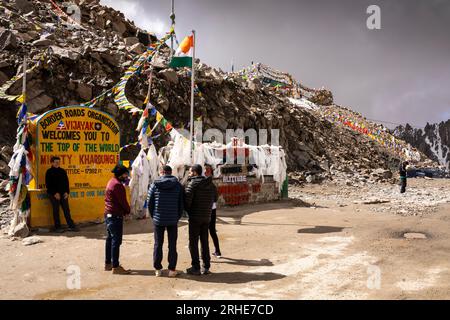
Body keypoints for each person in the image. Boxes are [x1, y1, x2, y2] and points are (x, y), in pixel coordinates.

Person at [147, 165, 184, 278]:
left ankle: (158, 269)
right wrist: (177, 217)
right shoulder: (178, 185)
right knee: (172, 245)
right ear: (170, 172)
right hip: (173, 220)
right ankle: (172, 270)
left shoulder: (154, 184)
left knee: (158, 244)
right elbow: (181, 204)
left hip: (159, 220)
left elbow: (150, 203)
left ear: (161, 172)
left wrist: (154, 216)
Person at [184, 164, 217, 275]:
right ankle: (206, 266)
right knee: (204, 242)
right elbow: (215, 198)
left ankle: (196, 267)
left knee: (193, 243)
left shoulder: (192, 184)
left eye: (190, 172)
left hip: (194, 217)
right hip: (207, 216)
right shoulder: (211, 184)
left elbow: (187, 202)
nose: (189, 174)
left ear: (195, 172)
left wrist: (190, 212)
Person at [104, 164, 131, 274]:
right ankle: (116, 266)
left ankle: (108, 263)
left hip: (109, 215)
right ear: (120, 175)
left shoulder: (111, 181)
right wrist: (128, 211)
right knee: (116, 241)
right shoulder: (118, 185)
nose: (126, 176)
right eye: (125, 174)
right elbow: (123, 202)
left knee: (110, 239)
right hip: (115, 216)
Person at [45, 156, 77, 232]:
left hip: (63, 194)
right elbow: (48, 185)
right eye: (56, 162)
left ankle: (71, 225)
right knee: (56, 210)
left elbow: (66, 183)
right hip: (53, 194)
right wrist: (55, 193)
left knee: (66, 209)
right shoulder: (49, 172)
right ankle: (57, 227)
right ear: (52, 163)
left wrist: (67, 192)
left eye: (58, 162)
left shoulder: (62, 171)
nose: (57, 163)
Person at [204, 164, 221, 258]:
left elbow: (215, 198)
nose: (205, 172)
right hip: (212, 209)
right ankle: (217, 251)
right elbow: (215, 198)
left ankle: (210, 252)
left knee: (207, 231)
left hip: (207, 210)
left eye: (207, 170)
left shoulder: (207, 183)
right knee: (211, 231)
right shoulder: (212, 184)